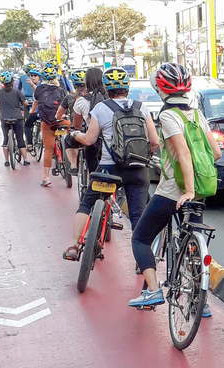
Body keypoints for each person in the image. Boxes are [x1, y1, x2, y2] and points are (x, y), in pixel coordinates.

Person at [128, 63, 222, 309]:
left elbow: (182, 154)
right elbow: (216, 152)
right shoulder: (197, 114)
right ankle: (200, 303)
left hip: (173, 192)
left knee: (139, 238)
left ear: (159, 89)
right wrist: (194, 189)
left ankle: (152, 290)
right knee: (190, 243)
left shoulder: (168, 115)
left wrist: (187, 190)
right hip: (200, 191)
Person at [62, 66, 159, 261]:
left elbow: (89, 140)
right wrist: (142, 157)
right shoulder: (142, 107)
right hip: (138, 170)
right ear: (127, 88)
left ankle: (74, 246)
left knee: (87, 203)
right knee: (138, 215)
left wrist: (75, 135)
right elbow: (155, 141)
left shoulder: (101, 108)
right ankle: (143, 261)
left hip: (109, 169)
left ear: (106, 88)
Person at [34, 64, 68, 187]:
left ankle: (45, 178)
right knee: (69, 134)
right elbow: (66, 106)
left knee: (48, 149)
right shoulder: (61, 90)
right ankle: (71, 161)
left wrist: (33, 112)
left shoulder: (39, 89)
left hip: (47, 123)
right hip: (61, 121)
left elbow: (36, 103)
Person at [70, 67, 107, 174]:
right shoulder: (110, 97)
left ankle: (93, 178)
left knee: (90, 153)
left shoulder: (81, 100)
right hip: (113, 139)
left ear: (86, 81)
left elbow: (77, 125)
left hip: (94, 140)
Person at [0, 71, 30, 167]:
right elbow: (25, 103)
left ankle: (7, 161)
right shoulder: (17, 92)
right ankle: (25, 160)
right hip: (17, 117)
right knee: (20, 139)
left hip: (4, 118)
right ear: (12, 82)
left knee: (5, 139)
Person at [57, 68, 87, 170]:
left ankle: (73, 166)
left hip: (78, 132)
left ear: (73, 84)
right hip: (92, 133)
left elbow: (58, 114)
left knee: (68, 142)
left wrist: (59, 117)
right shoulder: (93, 97)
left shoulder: (70, 97)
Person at [23, 68, 43, 151]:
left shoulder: (39, 85)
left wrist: (31, 84)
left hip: (40, 112)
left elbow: (38, 91)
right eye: (31, 75)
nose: (33, 77)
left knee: (27, 125)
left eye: (35, 76)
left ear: (39, 77)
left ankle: (30, 144)